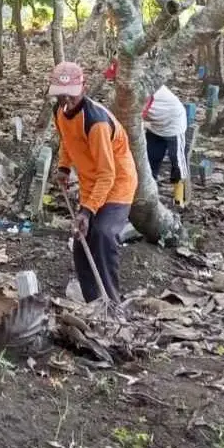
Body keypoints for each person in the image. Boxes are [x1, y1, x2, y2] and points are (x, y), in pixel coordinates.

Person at [50, 62, 138, 304]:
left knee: (102, 234)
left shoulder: (96, 122)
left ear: (83, 88)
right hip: (92, 184)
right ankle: (93, 301)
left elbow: (108, 174)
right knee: (82, 241)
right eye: (60, 94)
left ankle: (112, 302)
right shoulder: (59, 113)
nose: (65, 99)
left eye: (71, 93)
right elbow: (67, 141)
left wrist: (87, 211)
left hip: (117, 184)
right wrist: (64, 168)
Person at [103, 61, 189, 206]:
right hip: (155, 124)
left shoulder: (143, 89)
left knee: (177, 162)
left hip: (173, 123)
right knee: (150, 159)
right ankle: (149, 196)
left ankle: (180, 199)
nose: (113, 82)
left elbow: (134, 115)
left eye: (115, 79)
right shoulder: (126, 92)